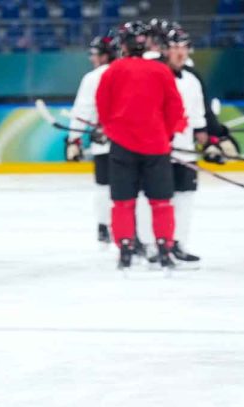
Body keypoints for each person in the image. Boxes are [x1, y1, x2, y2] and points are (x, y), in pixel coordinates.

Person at [96, 21, 186, 270]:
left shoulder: (112, 71)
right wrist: (164, 134)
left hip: (122, 145)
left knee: (123, 201)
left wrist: (113, 130)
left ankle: (125, 247)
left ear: (123, 44)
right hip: (156, 145)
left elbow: (102, 107)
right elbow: (175, 107)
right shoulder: (160, 71)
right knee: (161, 202)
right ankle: (164, 247)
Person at [66, 33, 118, 246]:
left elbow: (82, 111)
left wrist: (74, 140)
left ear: (106, 55)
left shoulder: (93, 78)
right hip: (131, 143)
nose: (91, 58)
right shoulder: (130, 72)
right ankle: (129, 230)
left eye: (94, 54)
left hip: (103, 143)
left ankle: (104, 227)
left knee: (103, 187)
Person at [163, 27, 209, 267]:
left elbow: (199, 117)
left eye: (183, 47)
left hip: (185, 150)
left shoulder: (191, 80)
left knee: (186, 198)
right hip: (160, 151)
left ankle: (179, 243)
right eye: (174, 47)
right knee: (159, 200)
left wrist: (209, 141)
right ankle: (156, 245)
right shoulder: (157, 76)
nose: (180, 52)